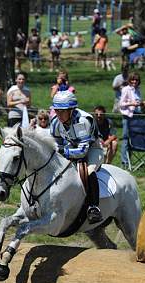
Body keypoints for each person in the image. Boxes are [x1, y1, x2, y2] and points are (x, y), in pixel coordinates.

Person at [50, 91, 103, 223]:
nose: (59, 114)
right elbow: (55, 143)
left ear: (71, 110)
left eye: (62, 111)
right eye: (57, 110)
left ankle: (93, 207)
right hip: (70, 147)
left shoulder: (82, 121)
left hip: (92, 150)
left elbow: (82, 151)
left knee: (89, 171)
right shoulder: (56, 122)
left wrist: (62, 152)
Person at [119, 72, 145, 168]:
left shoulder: (138, 90)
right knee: (125, 138)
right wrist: (131, 104)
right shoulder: (126, 89)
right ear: (129, 80)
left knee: (133, 138)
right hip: (127, 116)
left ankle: (130, 161)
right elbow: (121, 104)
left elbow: (137, 102)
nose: (134, 81)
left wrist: (141, 104)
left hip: (136, 115)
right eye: (133, 79)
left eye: (136, 80)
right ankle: (124, 162)